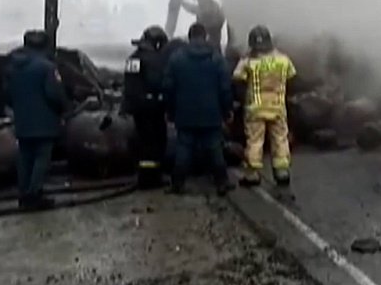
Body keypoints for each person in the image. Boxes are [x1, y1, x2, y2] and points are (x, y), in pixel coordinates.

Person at [163, 23, 234, 195]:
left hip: (185, 114)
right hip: (211, 114)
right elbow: (225, 88)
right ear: (205, 37)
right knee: (214, 148)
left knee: (183, 148)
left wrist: (170, 111)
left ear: (189, 37)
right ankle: (222, 182)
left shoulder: (176, 58)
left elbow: (168, 87)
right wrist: (227, 110)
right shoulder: (216, 58)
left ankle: (177, 184)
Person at [4, 30, 68, 210]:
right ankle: (35, 194)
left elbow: (7, 95)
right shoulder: (47, 67)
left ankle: (23, 194)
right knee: (42, 157)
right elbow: (54, 94)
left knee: (24, 157)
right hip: (44, 121)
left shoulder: (12, 67)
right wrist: (65, 108)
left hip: (22, 120)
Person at [232, 25, 297, 186]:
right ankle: (282, 172)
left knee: (255, 142)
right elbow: (292, 78)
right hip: (278, 107)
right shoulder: (283, 59)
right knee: (280, 139)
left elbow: (237, 79)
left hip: (255, 108)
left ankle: (252, 175)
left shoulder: (248, 61)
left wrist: (241, 100)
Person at [122, 25, 170, 189]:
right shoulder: (156, 60)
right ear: (157, 43)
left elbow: (129, 84)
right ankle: (152, 178)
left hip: (137, 107)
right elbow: (160, 83)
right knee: (156, 142)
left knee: (143, 140)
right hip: (153, 107)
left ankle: (144, 176)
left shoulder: (133, 58)